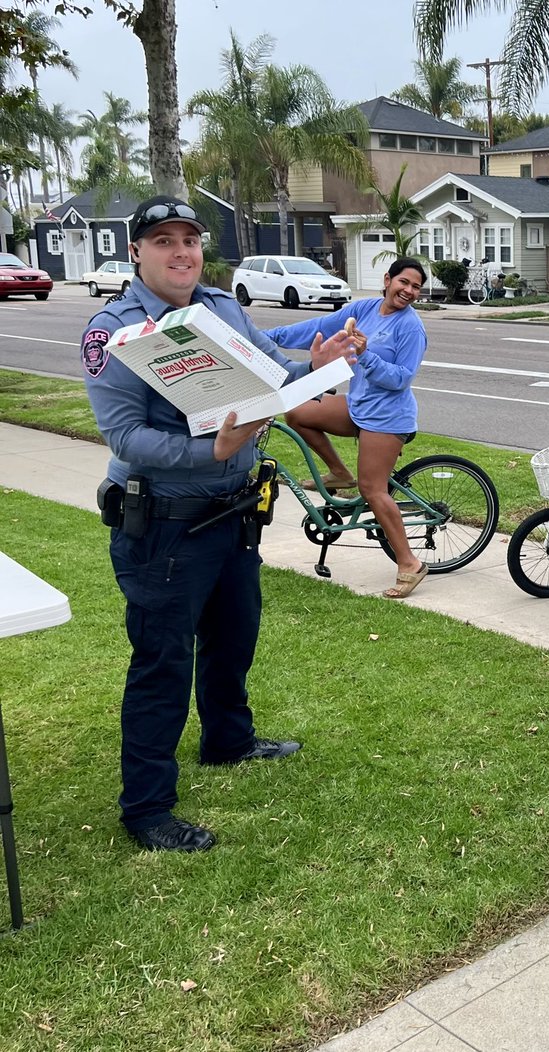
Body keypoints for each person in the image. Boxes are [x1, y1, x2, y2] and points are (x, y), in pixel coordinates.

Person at [81, 195, 357, 853]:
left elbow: (271, 371)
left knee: (234, 637)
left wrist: (315, 367)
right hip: (165, 526)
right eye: (164, 241)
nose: (181, 252)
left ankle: (228, 740)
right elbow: (124, 436)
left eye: (190, 240)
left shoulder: (220, 307)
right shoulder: (113, 330)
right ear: (137, 252)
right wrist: (211, 452)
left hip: (234, 516)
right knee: (163, 663)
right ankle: (147, 809)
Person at [265, 258, 430, 600]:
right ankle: (339, 473)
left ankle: (409, 563)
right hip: (358, 408)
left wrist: (366, 354)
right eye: (405, 282)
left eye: (416, 287)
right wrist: (263, 339)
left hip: (387, 418)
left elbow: (400, 380)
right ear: (387, 279)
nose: (409, 291)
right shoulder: (365, 308)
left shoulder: (411, 327)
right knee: (297, 412)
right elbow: (317, 329)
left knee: (373, 489)